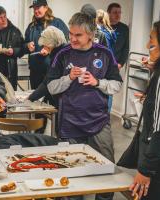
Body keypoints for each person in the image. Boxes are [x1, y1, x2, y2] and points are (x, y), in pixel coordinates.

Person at [47, 13, 122, 200]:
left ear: (90, 34)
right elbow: (51, 87)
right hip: (69, 123)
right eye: (71, 33)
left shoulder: (105, 53)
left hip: (99, 121)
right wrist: (69, 78)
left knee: (106, 170)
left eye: (78, 35)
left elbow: (117, 85)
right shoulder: (63, 54)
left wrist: (98, 82)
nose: (72, 38)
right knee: (71, 172)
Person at [128, 20, 160, 200]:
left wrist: (145, 170)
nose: (147, 45)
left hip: (156, 166)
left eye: (152, 41)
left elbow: (159, 130)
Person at [24, 0, 69, 90]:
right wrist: (27, 46)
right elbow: (24, 46)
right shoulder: (31, 27)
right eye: (34, 9)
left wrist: (50, 49)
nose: (36, 11)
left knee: (53, 102)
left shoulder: (57, 23)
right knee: (36, 102)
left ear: (46, 7)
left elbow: (66, 45)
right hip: (35, 73)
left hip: (54, 71)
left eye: (38, 8)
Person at [96, 9, 117, 113]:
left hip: (104, 65)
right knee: (109, 89)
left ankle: (104, 114)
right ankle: (106, 113)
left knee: (103, 89)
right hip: (111, 64)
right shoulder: (111, 32)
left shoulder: (101, 34)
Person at [107, 3, 129, 69]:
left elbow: (126, 48)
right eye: (115, 12)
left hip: (115, 65)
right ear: (108, 13)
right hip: (101, 63)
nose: (118, 15)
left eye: (119, 12)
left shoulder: (124, 28)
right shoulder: (102, 27)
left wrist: (121, 64)